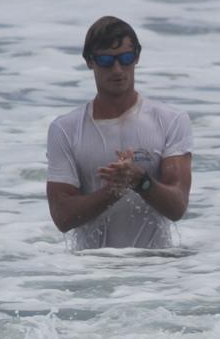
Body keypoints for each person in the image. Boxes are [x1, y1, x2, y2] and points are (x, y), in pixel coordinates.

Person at [46, 16, 193, 249]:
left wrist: (140, 181)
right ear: (89, 61)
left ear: (136, 56)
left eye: (125, 58)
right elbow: (62, 217)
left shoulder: (170, 120)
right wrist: (113, 191)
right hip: (91, 271)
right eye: (106, 60)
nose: (117, 69)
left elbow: (177, 207)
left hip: (159, 272)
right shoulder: (65, 129)